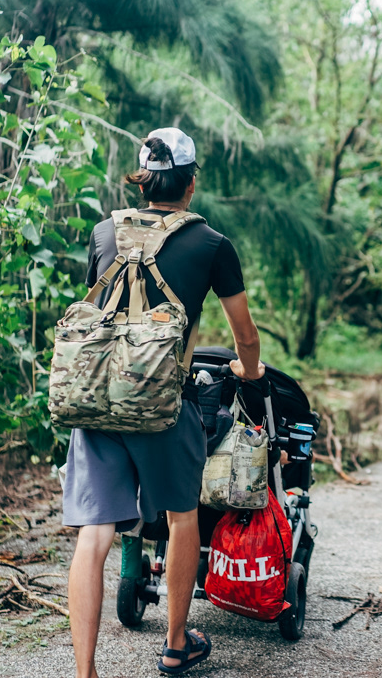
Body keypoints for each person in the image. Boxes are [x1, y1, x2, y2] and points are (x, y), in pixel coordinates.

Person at [62, 127, 265, 678]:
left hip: (97, 400)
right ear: (191, 184)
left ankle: (85, 672)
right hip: (162, 404)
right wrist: (247, 369)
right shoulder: (212, 245)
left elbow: (101, 313)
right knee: (181, 517)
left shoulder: (104, 232)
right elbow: (245, 335)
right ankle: (176, 644)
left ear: (143, 181)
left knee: (94, 534)